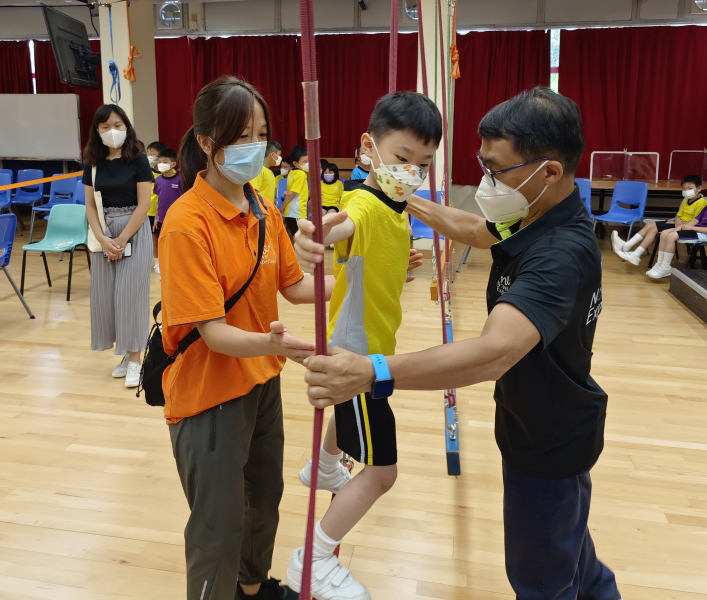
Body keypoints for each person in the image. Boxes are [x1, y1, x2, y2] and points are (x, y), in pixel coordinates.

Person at [295, 88, 622, 600]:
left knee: (543, 578)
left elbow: (494, 353)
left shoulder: (560, 253)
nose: (486, 181)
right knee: (574, 554)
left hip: (548, 441)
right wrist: (395, 195)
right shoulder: (539, 210)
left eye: (496, 170)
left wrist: (374, 370)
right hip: (542, 424)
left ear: (549, 172)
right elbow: (474, 228)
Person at [159, 76, 334, 600]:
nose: (255, 147)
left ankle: (252, 589)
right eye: (241, 137)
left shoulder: (262, 206)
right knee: (219, 522)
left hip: (262, 381)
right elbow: (213, 334)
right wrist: (276, 346)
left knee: (264, 498)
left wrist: (363, 275)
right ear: (206, 142)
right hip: (211, 393)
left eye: (261, 134)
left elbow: (296, 287)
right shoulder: (187, 224)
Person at [286, 92, 442, 600]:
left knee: (349, 411)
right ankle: (312, 560)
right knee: (382, 472)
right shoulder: (366, 205)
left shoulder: (395, 208)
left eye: (423, 164)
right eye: (402, 157)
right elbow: (344, 225)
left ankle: (323, 465)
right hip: (357, 355)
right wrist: (314, 237)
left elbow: (369, 257)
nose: (411, 172)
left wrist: (397, 265)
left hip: (369, 348)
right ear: (368, 148)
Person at [82, 104, 154, 388]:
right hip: (104, 232)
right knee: (110, 298)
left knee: (130, 295)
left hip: (133, 231)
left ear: (127, 127)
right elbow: (90, 205)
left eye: (117, 125)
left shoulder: (138, 160)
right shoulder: (92, 163)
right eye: (105, 127)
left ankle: (136, 359)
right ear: (97, 131)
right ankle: (126, 352)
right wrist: (103, 239)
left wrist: (122, 239)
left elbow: (144, 204)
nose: (112, 131)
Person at [644, 177, 707, 280]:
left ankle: (665, 267)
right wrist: (681, 227)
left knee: (671, 236)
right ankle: (659, 264)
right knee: (665, 233)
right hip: (697, 230)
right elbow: (695, 221)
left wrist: (691, 228)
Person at [611, 174, 707, 266]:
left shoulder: (702, 203)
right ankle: (629, 248)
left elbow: (696, 221)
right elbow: (678, 216)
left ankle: (633, 252)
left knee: (653, 227)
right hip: (678, 223)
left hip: (686, 227)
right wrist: (677, 221)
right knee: (650, 225)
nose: (686, 191)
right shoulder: (686, 200)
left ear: (699, 188)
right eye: (684, 189)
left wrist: (680, 224)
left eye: (690, 188)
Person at [153, 146, 183, 244]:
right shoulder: (157, 180)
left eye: (165, 162)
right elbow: (159, 200)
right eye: (159, 162)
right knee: (162, 241)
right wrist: (156, 219)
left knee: (175, 242)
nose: (161, 164)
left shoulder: (180, 180)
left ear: (173, 164)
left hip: (176, 218)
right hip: (161, 218)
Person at [281, 145, 310, 239]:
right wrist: (283, 207)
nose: (308, 164)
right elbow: (291, 194)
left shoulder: (292, 172)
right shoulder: (301, 174)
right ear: (295, 163)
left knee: (297, 238)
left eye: (308, 160)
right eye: (304, 161)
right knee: (300, 238)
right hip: (296, 212)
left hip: (291, 212)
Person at [147, 141, 167, 274]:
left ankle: (167, 260)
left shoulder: (169, 174)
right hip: (150, 211)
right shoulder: (147, 173)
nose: (150, 156)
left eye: (153, 154)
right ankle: (158, 262)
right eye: (148, 154)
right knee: (153, 237)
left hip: (164, 212)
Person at [251, 139, 283, 204]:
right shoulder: (259, 170)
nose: (280, 158)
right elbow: (253, 194)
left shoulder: (269, 172)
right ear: (272, 155)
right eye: (279, 155)